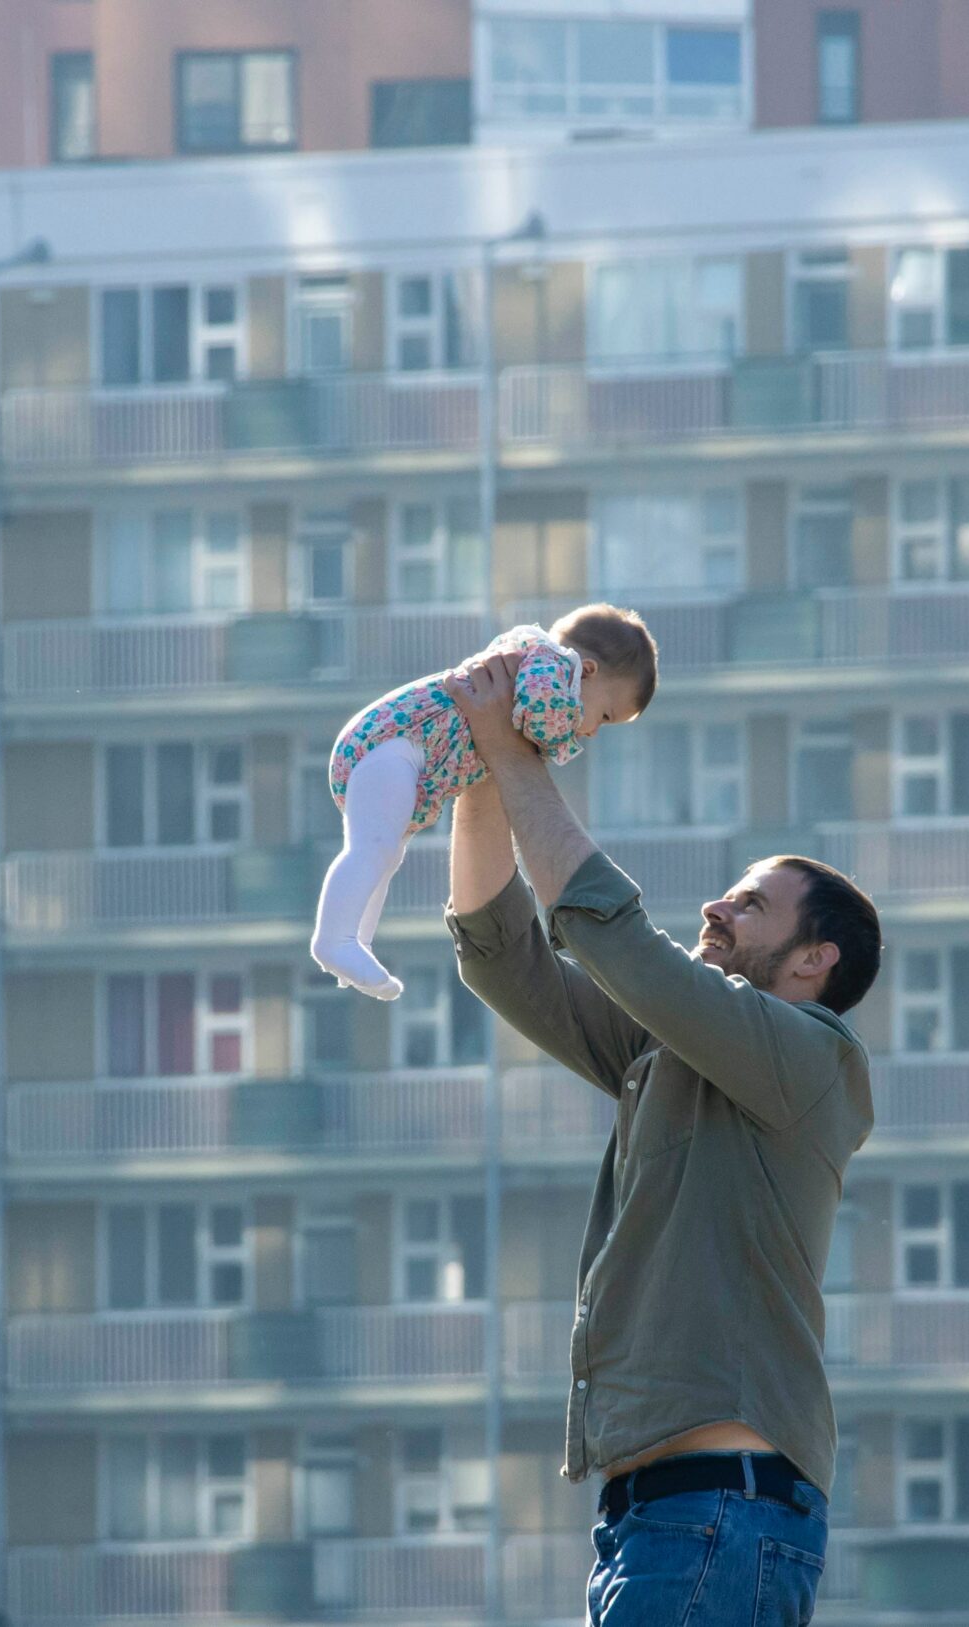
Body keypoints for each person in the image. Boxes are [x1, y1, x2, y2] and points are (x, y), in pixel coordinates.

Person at [441, 646, 883, 1627]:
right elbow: (503, 956)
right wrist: (476, 770)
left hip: (721, 1509)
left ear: (814, 959)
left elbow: (617, 942)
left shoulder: (815, 1061)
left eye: (751, 903)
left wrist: (517, 756)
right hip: (657, 1518)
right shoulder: (669, 1048)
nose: (717, 908)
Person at [311, 605, 656, 1000]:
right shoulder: (550, 663)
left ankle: (357, 942)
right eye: (605, 715)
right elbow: (539, 718)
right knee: (375, 848)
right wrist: (555, 740)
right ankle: (333, 940)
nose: (592, 731)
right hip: (395, 746)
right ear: (588, 671)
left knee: (387, 857)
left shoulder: (536, 663)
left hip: (402, 756)